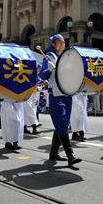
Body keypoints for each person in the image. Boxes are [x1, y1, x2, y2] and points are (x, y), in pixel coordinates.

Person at [39, 34, 81, 167]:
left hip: (66, 92)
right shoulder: (49, 57)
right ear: (53, 44)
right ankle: (70, 155)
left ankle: (53, 153)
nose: (62, 44)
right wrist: (49, 70)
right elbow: (42, 74)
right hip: (56, 93)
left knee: (63, 123)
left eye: (63, 42)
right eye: (59, 42)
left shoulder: (66, 57)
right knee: (62, 122)